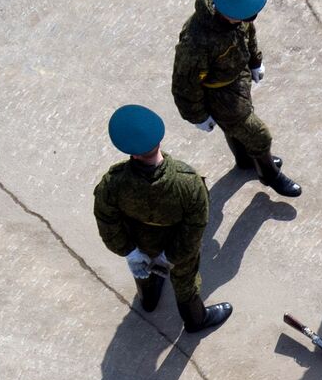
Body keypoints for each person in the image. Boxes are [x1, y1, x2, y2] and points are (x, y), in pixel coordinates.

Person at [93, 104, 232, 332]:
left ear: (133, 152)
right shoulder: (187, 182)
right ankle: (196, 320)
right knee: (185, 283)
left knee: (142, 270)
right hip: (175, 245)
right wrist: (170, 256)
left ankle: (148, 300)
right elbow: (195, 227)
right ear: (159, 140)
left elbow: (107, 221)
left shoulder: (113, 183)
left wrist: (129, 252)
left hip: (140, 242)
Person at [171, 0, 302, 197]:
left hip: (237, 78)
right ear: (225, 12)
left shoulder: (236, 17)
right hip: (218, 93)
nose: (250, 18)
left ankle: (245, 160)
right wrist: (197, 116)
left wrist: (255, 61)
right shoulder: (196, 41)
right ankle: (269, 174)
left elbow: (248, 35)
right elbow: (185, 82)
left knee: (237, 128)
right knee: (260, 136)